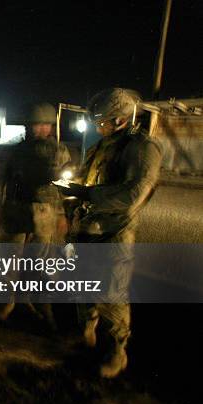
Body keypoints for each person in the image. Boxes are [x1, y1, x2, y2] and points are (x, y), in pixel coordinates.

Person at [57, 88, 162, 378]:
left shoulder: (142, 148)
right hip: (87, 228)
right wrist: (71, 190)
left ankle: (118, 352)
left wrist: (88, 193)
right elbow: (85, 178)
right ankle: (87, 332)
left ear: (120, 120)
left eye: (101, 121)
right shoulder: (101, 146)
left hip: (113, 233)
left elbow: (134, 194)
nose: (96, 126)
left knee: (111, 292)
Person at [0, 102, 71, 329]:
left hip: (45, 211)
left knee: (43, 263)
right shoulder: (13, 150)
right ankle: (7, 303)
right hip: (16, 208)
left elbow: (65, 186)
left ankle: (42, 306)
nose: (41, 129)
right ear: (28, 126)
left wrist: (62, 214)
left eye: (45, 125)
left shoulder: (60, 151)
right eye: (36, 125)